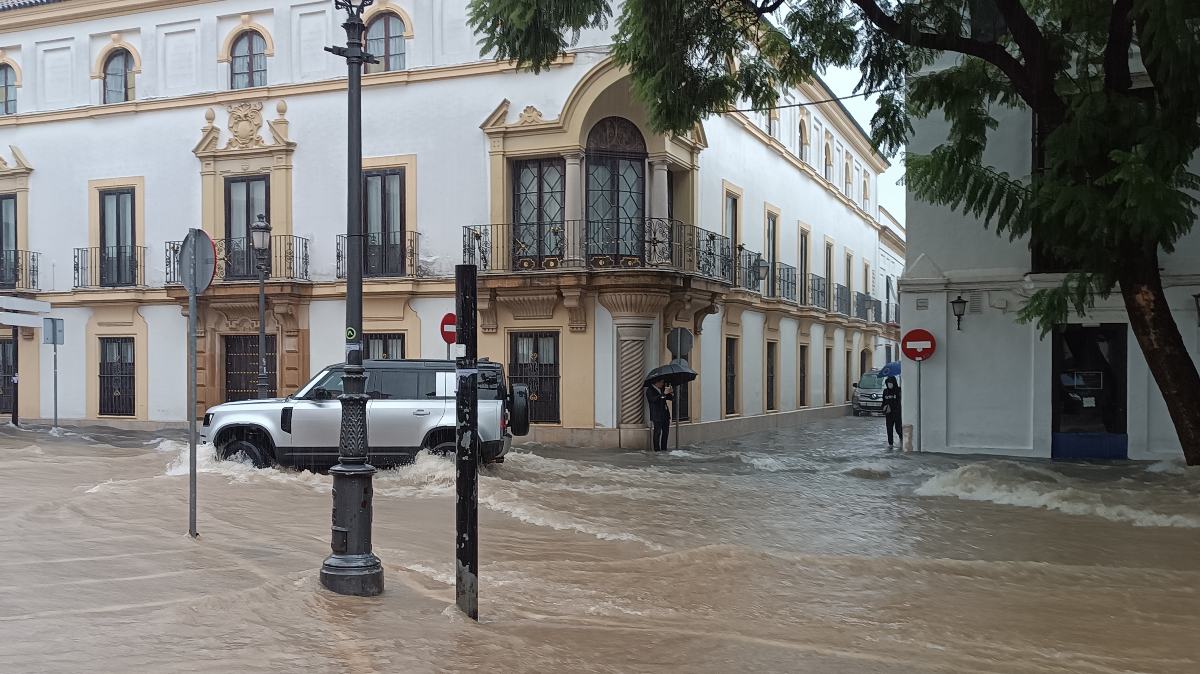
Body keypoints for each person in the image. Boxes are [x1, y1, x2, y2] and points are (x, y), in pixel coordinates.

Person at [645, 377, 674, 452]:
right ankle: (657, 450)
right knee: (657, 432)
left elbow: (669, 398)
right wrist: (663, 393)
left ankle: (664, 448)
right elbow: (653, 400)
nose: (663, 384)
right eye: (661, 382)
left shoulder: (661, 389)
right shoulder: (650, 390)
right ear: (656, 382)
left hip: (665, 414)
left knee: (666, 432)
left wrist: (671, 393)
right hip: (656, 415)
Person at [882, 375, 902, 448]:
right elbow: (883, 402)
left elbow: (901, 401)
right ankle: (890, 444)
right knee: (889, 429)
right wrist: (883, 408)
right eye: (888, 383)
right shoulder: (885, 391)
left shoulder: (898, 390)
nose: (889, 384)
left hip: (897, 413)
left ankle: (901, 438)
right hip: (888, 414)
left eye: (891, 383)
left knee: (898, 429)